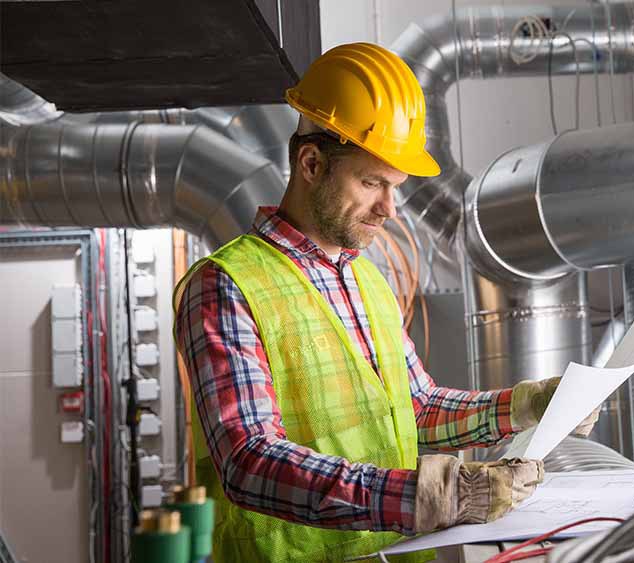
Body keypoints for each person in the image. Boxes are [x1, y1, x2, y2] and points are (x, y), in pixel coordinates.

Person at [173, 42, 598, 563]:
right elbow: (250, 461)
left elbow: (415, 409)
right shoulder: (225, 286)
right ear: (311, 163)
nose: (388, 208)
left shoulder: (368, 281)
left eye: (395, 186)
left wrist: (527, 405)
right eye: (373, 181)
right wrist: (429, 496)